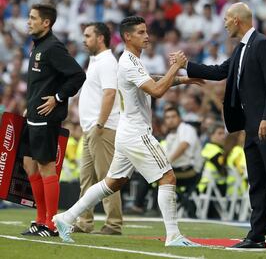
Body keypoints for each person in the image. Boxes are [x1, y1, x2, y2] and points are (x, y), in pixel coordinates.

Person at [53, 16, 203, 247]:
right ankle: (173, 235)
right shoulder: (128, 62)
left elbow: (149, 81)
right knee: (167, 176)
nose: (147, 36)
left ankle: (66, 217)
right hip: (136, 132)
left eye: (146, 31)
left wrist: (183, 80)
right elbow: (156, 91)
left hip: (126, 131)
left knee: (111, 183)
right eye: (141, 32)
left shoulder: (131, 60)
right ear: (127, 36)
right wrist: (176, 66)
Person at [176, 2, 266, 252]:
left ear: (238, 20)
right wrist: (186, 66)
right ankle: (256, 237)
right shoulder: (242, 48)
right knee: (257, 182)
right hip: (251, 126)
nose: (224, 23)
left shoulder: (262, 44)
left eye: (227, 18)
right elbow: (219, 72)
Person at [20, 3, 86, 237]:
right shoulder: (37, 46)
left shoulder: (53, 47)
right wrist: (30, 105)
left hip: (46, 118)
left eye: (32, 18)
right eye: (29, 17)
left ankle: (52, 223)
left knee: (47, 168)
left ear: (46, 23)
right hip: (33, 115)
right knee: (29, 166)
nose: (28, 21)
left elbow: (78, 75)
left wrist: (57, 98)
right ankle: (40, 219)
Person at [75, 22, 123, 235]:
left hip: (102, 128)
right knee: (86, 178)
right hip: (90, 128)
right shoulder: (95, 61)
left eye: (88, 36)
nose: (84, 40)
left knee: (107, 178)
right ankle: (84, 222)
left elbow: (110, 93)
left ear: (100, 38)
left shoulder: (107, 62)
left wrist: (101, 124)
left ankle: (113, 224)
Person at [162, 106, 203, 218]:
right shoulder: (170, 136)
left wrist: (167, 162)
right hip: (178, 169)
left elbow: (184, 146)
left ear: (179, 118)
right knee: (157, 175)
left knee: (160, 177)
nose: (170, 119)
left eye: (173, 116)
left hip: (191, 170)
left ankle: (141, 206)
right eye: (167, 117)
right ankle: (188, 206)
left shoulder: (186, 128)